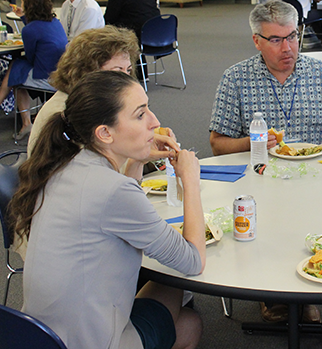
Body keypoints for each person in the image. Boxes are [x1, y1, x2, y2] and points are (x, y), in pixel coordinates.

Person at [11, 71, 206, 349]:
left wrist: (136, 158)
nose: (155, 121)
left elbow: (112, 205)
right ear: (104, 133)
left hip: (41, 336)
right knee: (187, 314)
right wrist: (190, 181)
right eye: (140, 115)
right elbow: (193, 260)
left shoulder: (61, 165)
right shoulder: (113, 191)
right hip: (93, 341)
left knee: (185, 324)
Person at [209, 0, 322, 156]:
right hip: (260, 171)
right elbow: (217, 144)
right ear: (257, 41)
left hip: (314, 171)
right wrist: (252, 142)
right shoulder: (235, 79)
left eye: (292, 36)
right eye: (275, 40)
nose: (287, 48)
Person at [27, 25, 139, 156]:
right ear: (88, 72)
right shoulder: (68, 114)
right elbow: (98, 168)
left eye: (128, 70)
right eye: (117, 71)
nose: (127, 79)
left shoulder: (98, 101)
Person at [0, 0, 67, 140]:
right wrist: (24, 18)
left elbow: (30, 57)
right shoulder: (54, 22)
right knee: (15, 69)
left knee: (14, 72)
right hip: (59, 73)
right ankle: (24, 121)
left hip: (46, 78)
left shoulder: (30, 30)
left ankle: (25, 122)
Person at [104, 0, 160, 79]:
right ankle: (142, 74)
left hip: (135, 35)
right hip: (157, 33)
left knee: (112, 34)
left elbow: (109, 18)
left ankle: (121, 71)